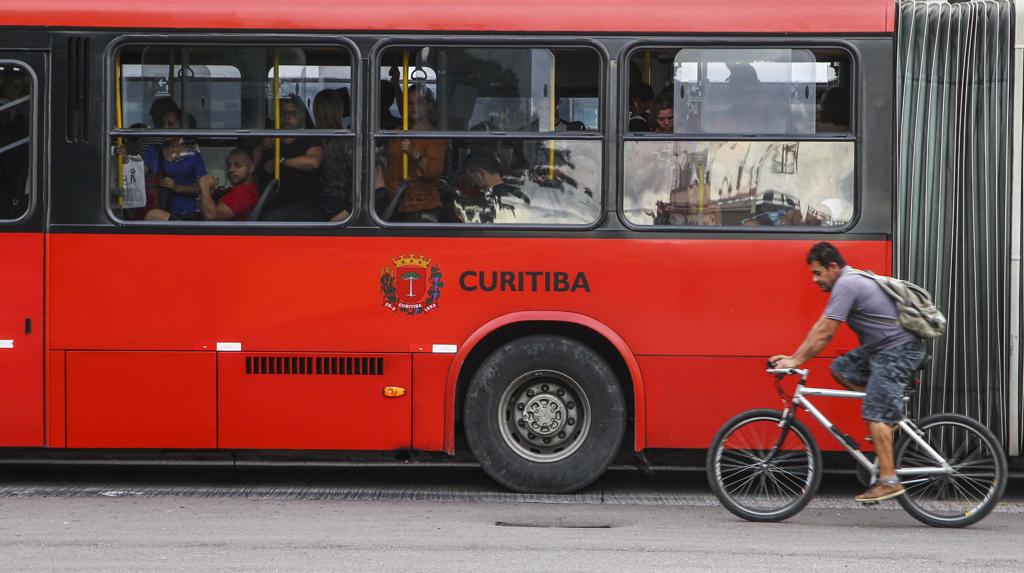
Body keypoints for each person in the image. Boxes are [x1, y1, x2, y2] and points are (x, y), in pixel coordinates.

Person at [770, 242, 926, 503]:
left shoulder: (847, 284)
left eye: (818, 273)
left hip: (898, 350)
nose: (814, 279)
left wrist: (795, 361)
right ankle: (886, 411)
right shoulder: (849, 281)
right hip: (883, 349)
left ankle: (888, 480)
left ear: (833, 267)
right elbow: (822, 325)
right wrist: (793, 357)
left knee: (874, 411)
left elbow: (826, 332)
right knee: (842, 368)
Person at [253, 95, 323, 221]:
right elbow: (250, 167)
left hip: (303, 206)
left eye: (291, 113)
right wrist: (261, 147)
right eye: (281, 113)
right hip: (269, 203)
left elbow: (313, 163)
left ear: (301, 115)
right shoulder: (268, 138)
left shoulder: (310, 139)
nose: (286, 118)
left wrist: (280, 161)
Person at [383, 85, 447, 222]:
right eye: (409, 103)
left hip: (423, 207)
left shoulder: (435, 137)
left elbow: (434, 173)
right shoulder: (398, 132)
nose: (413, 107)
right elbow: (387, 165)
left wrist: (414, 152)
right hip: (395, 204)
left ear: (429, 106)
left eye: (419, 102)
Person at [146, 148, 259, 222]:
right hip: (207, 229)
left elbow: (211, 217)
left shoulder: (244, 192)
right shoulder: (239, 189)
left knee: (154, 215)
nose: (231, 170)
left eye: (238, 166)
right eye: (229, 165)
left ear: (251, 168)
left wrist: (204, 185)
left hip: (210, 236)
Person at [141, 108, 207, 219]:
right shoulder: (153, 150)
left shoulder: (193, 156)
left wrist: (177, 187)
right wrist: (125, 159)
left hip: (185, 215)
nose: (165, 128)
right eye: (163, 124)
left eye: (170, 124)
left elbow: (201, 188)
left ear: (182, 127)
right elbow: (139, 174)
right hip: (156, 210)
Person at [313, 89, 354, 221]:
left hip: (315, 201)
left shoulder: (310, 139)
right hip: (342, 203)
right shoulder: (346, 140)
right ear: (339, 110)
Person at [458, 152, 530, 223]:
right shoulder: (518, 195)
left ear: (480, 173)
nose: (473, 183)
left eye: (472, 178)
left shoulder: (493, 198)